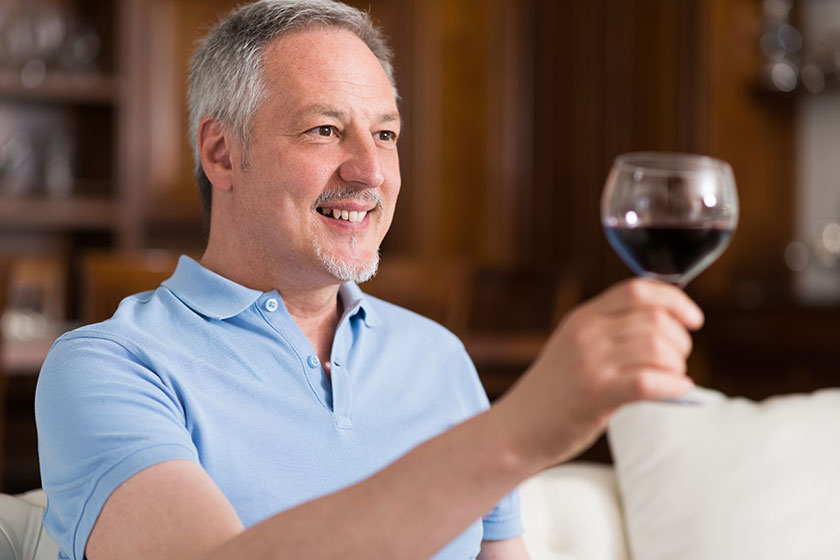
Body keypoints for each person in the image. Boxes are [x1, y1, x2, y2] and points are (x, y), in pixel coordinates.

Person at [34, 1, 704, 559]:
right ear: (222, 151)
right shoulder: (107, 366)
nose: (370, 171)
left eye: (385, 135)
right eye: (325, 130)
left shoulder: (436, 356)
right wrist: (521, 431)